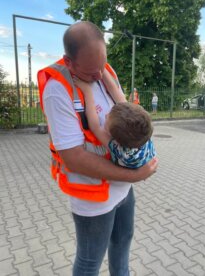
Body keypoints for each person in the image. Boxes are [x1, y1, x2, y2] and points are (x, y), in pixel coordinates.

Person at [37, 21, 158, 276]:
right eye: (92, 71)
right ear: (70, 63)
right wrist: (135, 175)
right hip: (93, 197)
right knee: (90, 261)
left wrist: (131, 179)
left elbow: (125, 108)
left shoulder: (104, 71)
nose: (99, 74)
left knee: (122, 244)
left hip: (123, 191)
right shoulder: (57, 90)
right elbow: (75, 159)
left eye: (102, 64)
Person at [73, 72, 156, 169]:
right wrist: (101, 68)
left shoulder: (121, 151)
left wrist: (87, 91)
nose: (106, 114)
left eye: (107, 119)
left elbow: (95, 126)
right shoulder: (140, 132)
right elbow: (115, 92)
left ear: (114, 138)